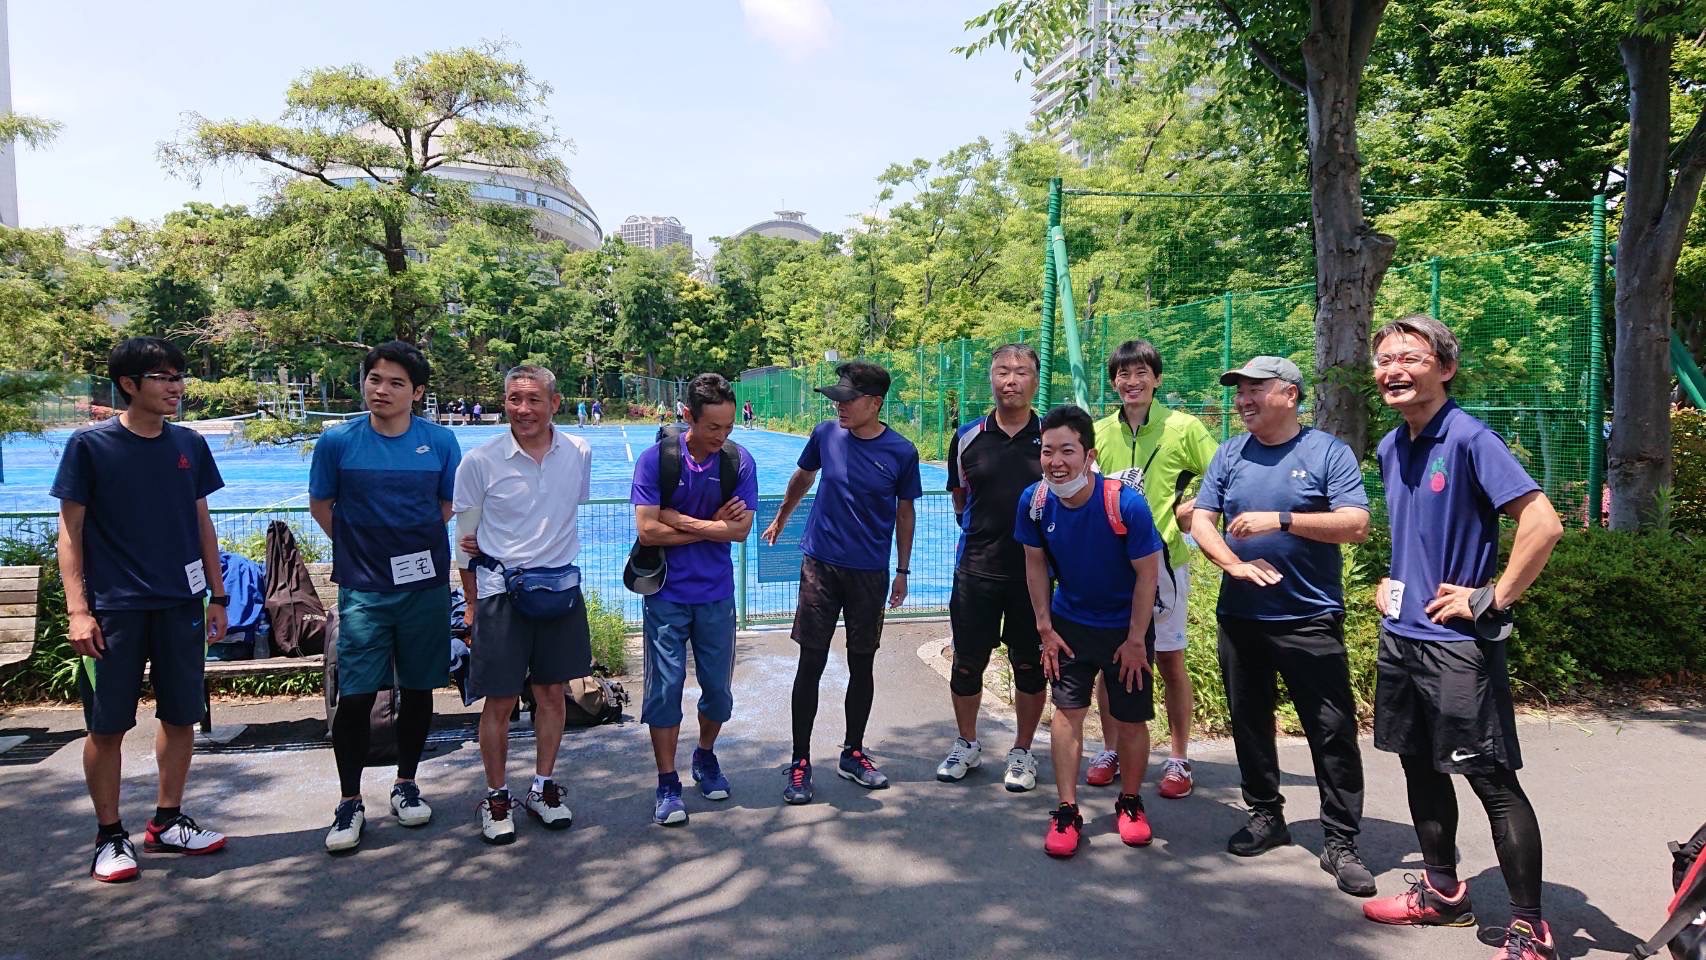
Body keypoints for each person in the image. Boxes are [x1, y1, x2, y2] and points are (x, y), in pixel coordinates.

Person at [1360, 316, 1564, 960]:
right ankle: (1443, 892)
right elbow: (1417, 535)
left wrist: (1490, 598)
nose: (1393, 370)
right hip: (1402, 636)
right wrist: (1391, 580)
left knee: (1491, 781)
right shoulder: (1392, 446)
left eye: (1410, 357)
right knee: (1418, 765)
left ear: (1445, 368)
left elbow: (1543, 524)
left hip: (1456, 648)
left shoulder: (1472, 438)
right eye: (1384, 359)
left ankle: (1530, 928)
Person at [1188, 355, 1376, 897]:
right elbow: (1202, 520)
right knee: (1249, 722)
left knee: (1331, 730)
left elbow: (1356, 524)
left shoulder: (1327, 452)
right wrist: (1233, 565)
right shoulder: (1230, 453)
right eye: (1239, 391)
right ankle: (1266, 815)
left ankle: (1340, 841)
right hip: (1241, 617)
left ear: (1289, 395)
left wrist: (1284, 520)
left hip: (1310, 616)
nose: (1242, 400)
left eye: (1255, 389)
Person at [53, 337, 230, 883]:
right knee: (107, 726)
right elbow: (70, 532)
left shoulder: (189, 444)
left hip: (181, 604)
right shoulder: (90, 446)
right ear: (128, 385)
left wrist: (218, 596)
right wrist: (78, 610)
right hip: (114, 611)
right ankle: (110, 835)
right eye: (162, 377)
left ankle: (168, 820)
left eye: (179, 376)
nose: (176, 386)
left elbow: (201, 520)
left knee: (181, 716)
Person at [310, 340, 461, 853]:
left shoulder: (440, 442)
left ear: (417, 392)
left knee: (418, 689)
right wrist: (362, 551)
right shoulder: (337, 442)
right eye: (375, 379)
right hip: (363, 591)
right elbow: (321, 505)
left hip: (425, 588)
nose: (382, 390)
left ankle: (406, 783)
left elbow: (447, 504)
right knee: (355, 697)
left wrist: (409, 547)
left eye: (397, 382)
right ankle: (349, 801)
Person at [761, 361, 921, 804]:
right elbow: (803, 476)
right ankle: (800, 761)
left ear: (875, 403)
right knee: (810, 662)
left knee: (861, 663)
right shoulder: (825, 435)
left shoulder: (901, 452)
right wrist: (782, 517)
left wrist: (903, 570)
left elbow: (905, 511)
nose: (839, 407)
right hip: (820, 565)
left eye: (848, 400)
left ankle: (853, 753)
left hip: (869, 572)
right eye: (837, 399)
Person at [1013, 404, 1163, 858]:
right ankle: (1066, 810)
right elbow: (1035, 565)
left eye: (1067, 451)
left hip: (1125, 630)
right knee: (1067, 713)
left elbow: (1148, 576)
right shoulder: (1035, 501)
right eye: (1047, 451)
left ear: (1089, 456)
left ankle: (1130, 803)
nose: (1056, 461)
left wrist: (1135, 640)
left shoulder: (1125, 503)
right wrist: (1045, 629)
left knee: (1131, 719)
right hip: (1069, 626)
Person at [453, 365, 591, 844]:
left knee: (553, 695)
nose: (523, 409)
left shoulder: (578, 451)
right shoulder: (479, 462)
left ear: (555, 403)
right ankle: (496, 797)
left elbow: (565, 510)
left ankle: (542, 787)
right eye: (515, 399)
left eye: (534, 399)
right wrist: (472, 607)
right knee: (501, 699)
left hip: (559, 593)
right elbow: (464, 543)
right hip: (501, 596)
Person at [1087, 339, 1219, 799]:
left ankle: (1179, 758)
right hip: (1111, 566)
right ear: (1113, 383)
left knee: (1169, 660)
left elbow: (1223, 475)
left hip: (1164, 564)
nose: (1132, 382)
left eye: (1141, 372)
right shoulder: (1099, 432)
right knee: (1110, 660)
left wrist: (1191, 509)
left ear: (1157, 379)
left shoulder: (1183, 428)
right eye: (1123, 374)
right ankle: (1110, 750)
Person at [630, 373, 758, 825]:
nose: (722, 436)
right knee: (664, 690)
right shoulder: (657, 460)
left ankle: (704, 754)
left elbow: (740, 531)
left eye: (728, 427)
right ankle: (667, 781)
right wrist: (712, 526)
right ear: (688, 416)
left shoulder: (738, 462)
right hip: (665, 594)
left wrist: (680, 520)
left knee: (718, 692)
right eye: (712, 427)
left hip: (716, 596)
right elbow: (648, 531)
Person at [935, 344, 1046, 791]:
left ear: (1035, 379)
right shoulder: (967, 437)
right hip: (976, 571)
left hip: (1035, 576)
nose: (1011, 380)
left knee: (1030, 666)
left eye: (1021, 372)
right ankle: (966, 743)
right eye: (1002, 371)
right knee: (967, 663)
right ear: (991, 378)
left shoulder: (1051, 436)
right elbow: (960, 500)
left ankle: (1022, 751)